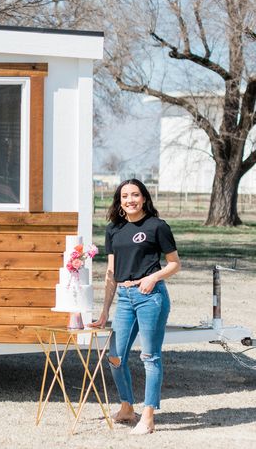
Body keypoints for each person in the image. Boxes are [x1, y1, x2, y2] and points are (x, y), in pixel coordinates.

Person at [89, 178, 181, 435]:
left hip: (151, 296)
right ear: (119, 202)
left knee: (150, 357)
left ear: (144, 198)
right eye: (125, 196)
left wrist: (153, 277)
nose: (130, 200)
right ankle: (128, 407)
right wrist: (105, 310)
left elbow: (174, 263)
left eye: (135, 195)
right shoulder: (113, 230)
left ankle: (149, 416)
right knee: (115, 356)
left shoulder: (157, 226)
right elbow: (111, 272)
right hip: (125, 299)